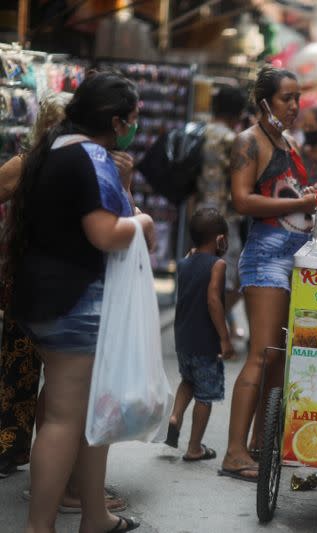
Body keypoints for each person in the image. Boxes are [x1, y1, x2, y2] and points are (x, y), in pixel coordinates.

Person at [2, 71, 153, 533]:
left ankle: (95, 516)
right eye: (133, 117)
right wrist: (143, 223)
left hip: (44, 296)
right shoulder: (90, 157)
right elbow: (105, 234)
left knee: (91, 413)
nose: (135, 124)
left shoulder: (52, 146)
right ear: (114, 119)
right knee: (66, 419)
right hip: (74, 305)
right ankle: (39, 527)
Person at [220, 65, 315, 482]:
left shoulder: (288, 141)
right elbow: (242, 201)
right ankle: (234, 453)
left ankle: (261, 444)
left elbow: (290, 197)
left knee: (277, 359)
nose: (294, 106)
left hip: (295, 255)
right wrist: (301, 203)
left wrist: (311, 200)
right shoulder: (248, 141)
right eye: (286, 99)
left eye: (297, 98)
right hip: (267, 256)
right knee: (260, 356)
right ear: (264, 101)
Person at [0, 92, 72, 479]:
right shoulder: (24, 165)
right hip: (26, 278)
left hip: (67, 284)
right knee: (19, 365)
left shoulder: (81, 167)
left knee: (63, 374)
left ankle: (50, 452)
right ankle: (11, 448)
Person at [165, 208, 235, 461]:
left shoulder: (184, 262)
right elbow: (213, 301)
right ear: (220, 240)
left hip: (183, 338)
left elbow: (193, 260)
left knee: (188, 380)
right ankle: (194, 447)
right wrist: (225, 338)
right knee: (205, 395)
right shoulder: (218, 264)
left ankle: (175, 416)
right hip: (206, 342)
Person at [194, 85, 248, 339]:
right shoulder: (230, 139)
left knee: (206, 275)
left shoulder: (199, 130)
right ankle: (208, 329)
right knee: (233, 280)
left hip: (199, 212)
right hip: (225, 217)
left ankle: (209, 327)